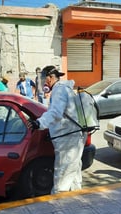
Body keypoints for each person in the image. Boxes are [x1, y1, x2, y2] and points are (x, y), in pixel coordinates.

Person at [27, 65, 86, 194]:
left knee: (63, 173)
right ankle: (77, 199)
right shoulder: (65, 89)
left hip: (68, 138)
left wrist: (39, 123)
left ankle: (58, 205)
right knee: (73, 171)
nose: (43, 82)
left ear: (50, 77)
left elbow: (55, 112)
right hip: (72, 136)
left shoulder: (59, 90)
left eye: (44, 79)